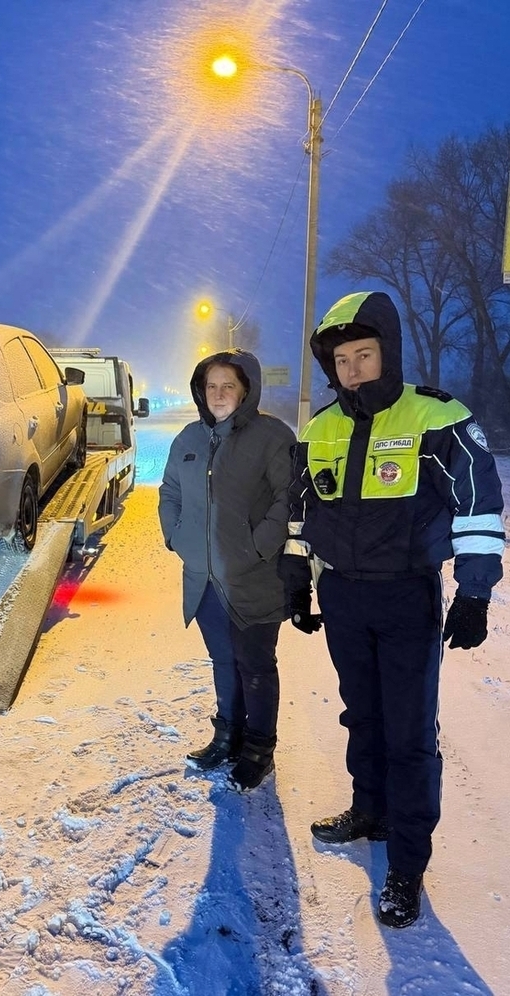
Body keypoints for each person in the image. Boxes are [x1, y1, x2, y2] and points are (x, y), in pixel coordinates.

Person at [279, 290, 505, 928]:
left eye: (364, 354)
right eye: (342, 359)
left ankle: (407, 861)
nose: (352, 368)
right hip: (344, 596)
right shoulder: (320, 427)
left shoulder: (437, 417)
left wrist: (475, 591)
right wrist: (297, 578)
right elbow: (300, 514)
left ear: (389, 352)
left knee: (408, 733)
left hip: (408, 595)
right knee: (363, 714)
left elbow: (479, 507)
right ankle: (369, 809)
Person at [158, 348, 295, 792]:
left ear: (246, 390)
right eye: (211, 386)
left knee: (255, 665)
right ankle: (228, 735)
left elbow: (288, 498)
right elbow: (169, 492)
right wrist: (177, 537)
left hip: (252, 579)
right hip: (204, 580)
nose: (218, 394)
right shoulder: (189, 440)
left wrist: (258, 547)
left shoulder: (272, 436)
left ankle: (259, 749)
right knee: (223, 660)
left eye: (228, 386)